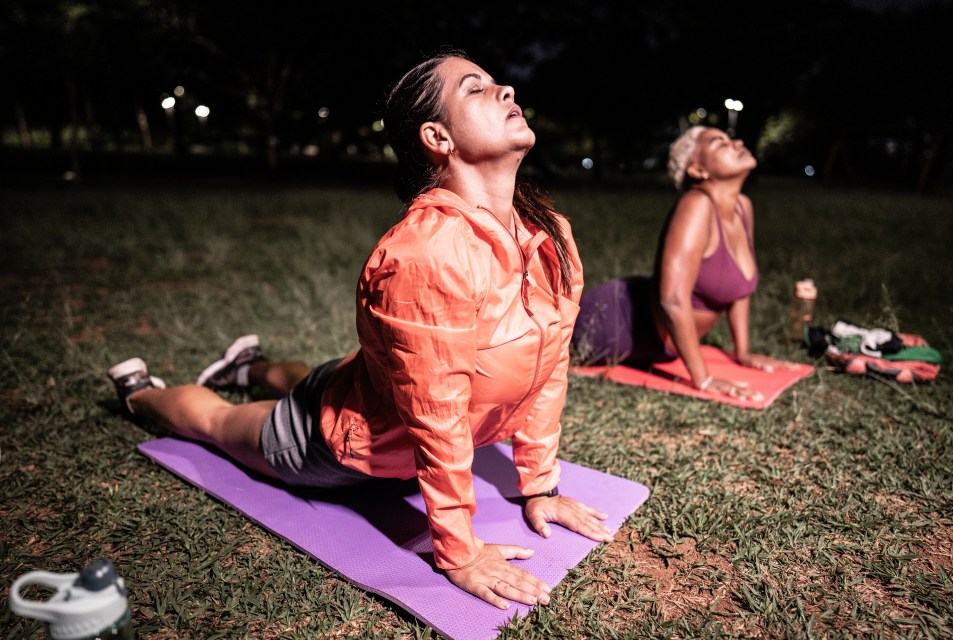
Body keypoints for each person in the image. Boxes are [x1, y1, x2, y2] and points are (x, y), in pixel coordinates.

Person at [106, 49, 613, 610]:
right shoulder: (427, 252)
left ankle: (248, 366)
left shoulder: (550, 233)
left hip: (368, 390)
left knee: (329, 379)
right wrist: (461, 552)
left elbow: (550, 364)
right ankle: (140, 393)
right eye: (476, 89)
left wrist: (540, 485)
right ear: (437, 138)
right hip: (338, 443)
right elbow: (436, 415)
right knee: (219, 421)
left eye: (499, 84)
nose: (507, 92)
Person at [572, 126, 799, 400]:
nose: (738, 142)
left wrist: (744, 354)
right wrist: (703, 380)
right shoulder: (696, 205)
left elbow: (740, 289)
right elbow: (672, 299)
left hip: (656, 343)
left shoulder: (742, 206)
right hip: (613, 320)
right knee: (536, 354)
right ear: (698, 170)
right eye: (720, 143)